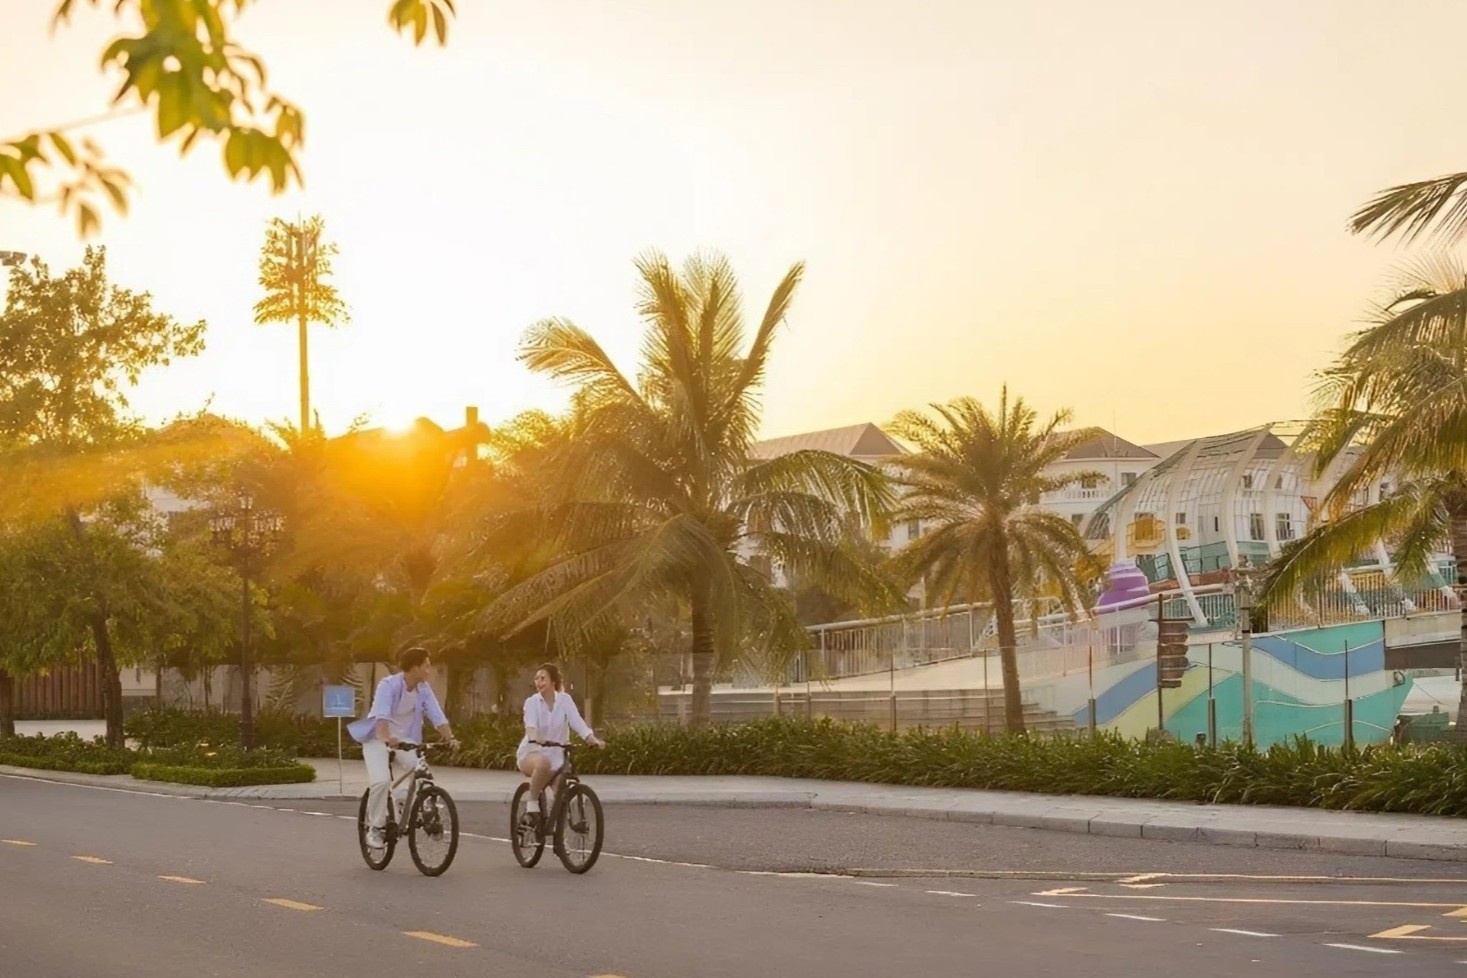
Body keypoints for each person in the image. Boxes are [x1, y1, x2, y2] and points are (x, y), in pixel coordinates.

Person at [347, 647, 458, 850]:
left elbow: (436, 714)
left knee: (422, 770)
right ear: (414, 668)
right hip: (378, 739)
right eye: (426, 666)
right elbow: (381, 718)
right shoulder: (388, 685)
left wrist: (450, 738)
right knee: (381, 781)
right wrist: (388, 739)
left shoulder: (423, 688)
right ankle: (376, 829)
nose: (429, 670)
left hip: (405, 740)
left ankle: (422, 809)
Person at [517, 662, 603, 830]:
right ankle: (531, 806)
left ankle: (560, 836)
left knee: (561, 795)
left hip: (557, 755)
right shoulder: (532, 702)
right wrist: (536, 736)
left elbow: (577, 721)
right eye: (537, 678)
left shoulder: (565, 700)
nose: (539, 682)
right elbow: (530, 726)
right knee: (543, 763)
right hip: (532, 752)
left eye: (543, 678)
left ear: (553, 681)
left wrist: (591, 738)